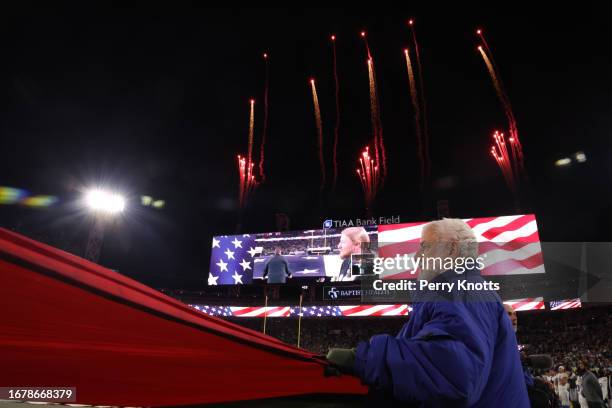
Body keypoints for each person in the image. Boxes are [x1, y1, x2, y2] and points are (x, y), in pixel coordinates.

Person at [326, 218, 530, 406]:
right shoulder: (462, 289)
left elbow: (454, 375)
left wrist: (365, 359)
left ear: (451, 249)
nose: (417, 256)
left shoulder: (460, 289)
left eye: (425, 246)